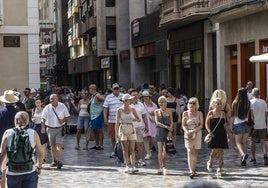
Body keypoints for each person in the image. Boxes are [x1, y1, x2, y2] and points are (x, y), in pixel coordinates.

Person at [0, 111, 44, 188]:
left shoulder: (7, 133)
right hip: (29, 171)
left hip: (12, 173)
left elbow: (1, 154)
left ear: (16, 120)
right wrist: (39, 167)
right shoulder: (33, 133)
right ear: (27, 121)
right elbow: (40, 154)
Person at [41, 94, 70, 169]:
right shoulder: (47, 108)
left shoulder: (62, 106)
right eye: (51, 99)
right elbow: (43, 118)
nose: (52, 100)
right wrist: (43, 127)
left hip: (60, 128)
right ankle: (54, 160)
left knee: (59, 145)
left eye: (54, 98)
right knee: (52, 146)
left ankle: (60, 161)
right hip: (50, 128)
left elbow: (67, 116)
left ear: (57, 99)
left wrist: (63, 120)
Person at [115, 93, 140, 173]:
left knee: (132, 148)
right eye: (129, 100)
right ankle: (127, 165)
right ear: (125, 101)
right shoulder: (119, 110)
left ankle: (133, 166)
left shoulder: (132, 109)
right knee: (125, 149)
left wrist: (133, 118)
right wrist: (117, 134)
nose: (131, 101)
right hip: (123, 128)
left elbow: (138, 119)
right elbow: (117, 122)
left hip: (131, 128)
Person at [205, 97, 230, 176]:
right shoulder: (211, 113)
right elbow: (206, 123)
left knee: (221, 151)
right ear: (214, 104)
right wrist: (209, 131)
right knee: (214, 151)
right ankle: (210, 161)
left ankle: (219, 168)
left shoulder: (223, 113)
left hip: (222, 134)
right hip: (214, 134)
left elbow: (224, 124)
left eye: (220, 103)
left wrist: (228, 133)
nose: (219, 105)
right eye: (217, 103)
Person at [0, 90, 19, 187]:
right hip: (16, 145)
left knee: (2, 171)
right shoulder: (18, 113)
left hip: (2, 144)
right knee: (15, 172)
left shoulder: (0, 113)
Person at [182, 97, 203, 179]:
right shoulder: (185, 113)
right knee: (190, 151)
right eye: (190, 103)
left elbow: (201, 125)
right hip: (188, 134)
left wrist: (194, 131)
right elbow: (183, 125)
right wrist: (187, 131)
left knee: (195, 152)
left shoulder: (199, 113)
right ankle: (191, 171)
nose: (192, 104)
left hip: (197, 133)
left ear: (196, 104)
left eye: (194, 103)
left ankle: (194, 169)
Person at [231, 88, 252, 166]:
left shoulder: (234, 103)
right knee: (244, 142)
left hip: (238, 124)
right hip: (247, 124)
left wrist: (231, 126)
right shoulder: (248, 103)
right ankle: (244, 159)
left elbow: (232, 116)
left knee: (238, 142)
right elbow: (251, 114)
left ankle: (243, 155)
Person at [103, 83, 124, 157]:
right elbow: (105, 108)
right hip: (111, 120)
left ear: (119, 89)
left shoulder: (123, 96)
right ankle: (114, 150)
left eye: (117, 88)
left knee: (121, 136)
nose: (116, 90)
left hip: (122, 120)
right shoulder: (108, 97)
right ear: (112, 89)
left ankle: (121, 150)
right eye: (114, 89)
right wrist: (105, 117)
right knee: (113, 136)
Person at [129, 89, 149, 167]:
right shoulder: (128, 105)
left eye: (136, 94)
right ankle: (130, 160)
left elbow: (144, 116)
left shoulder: (141, 104)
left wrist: (146, 125)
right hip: (130, 127)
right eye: (133, 94)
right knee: (130, 145)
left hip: (139, 127)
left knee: (140, 144)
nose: (135, 96)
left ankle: (140, 159)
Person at [154, 96, 173, 175]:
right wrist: (166, 127)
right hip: (160, 131)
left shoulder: (169, 111)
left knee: (166, 150)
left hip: (168, 132)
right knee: (160, 150)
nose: (161, 103)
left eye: (163, 101)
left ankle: (164, 165)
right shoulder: (156, 111)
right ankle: (160, 167)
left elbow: (171, 121)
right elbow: (157, 122)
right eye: (160, 102)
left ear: (166, 102)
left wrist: (170, 130)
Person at [249, 88, 268, 165]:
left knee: (252, 141)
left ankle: (253, 158)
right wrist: (263, 118)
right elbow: (266, 113)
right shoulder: (263, 102)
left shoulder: (250, 102)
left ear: (252, 94)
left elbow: (251, 114)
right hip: (262, 124)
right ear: (259, 94)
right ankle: (265, 156)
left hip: (253, 125)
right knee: (263, 141)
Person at [141, 90, 158, 160]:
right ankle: (148, 153)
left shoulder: (153, 105)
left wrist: (153, 113)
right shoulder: (141, 105)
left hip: (152, 123)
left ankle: (149, 148)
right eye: (144, 97)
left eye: (147, 96)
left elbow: (157, 113)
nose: (146, 98)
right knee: (145, 138)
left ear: (149, 97)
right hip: (144, 122)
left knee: (153, 139)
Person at [89, 84, 105, 150]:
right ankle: (97, 144)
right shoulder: (92, 96)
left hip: (97, 115)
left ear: (94, 89)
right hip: (93, 116)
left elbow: (104, 99)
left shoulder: (97, 95)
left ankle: (101, 145)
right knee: (95, 131)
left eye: (91, 88)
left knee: (99, 130)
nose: (90, 90)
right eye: (90, 88)